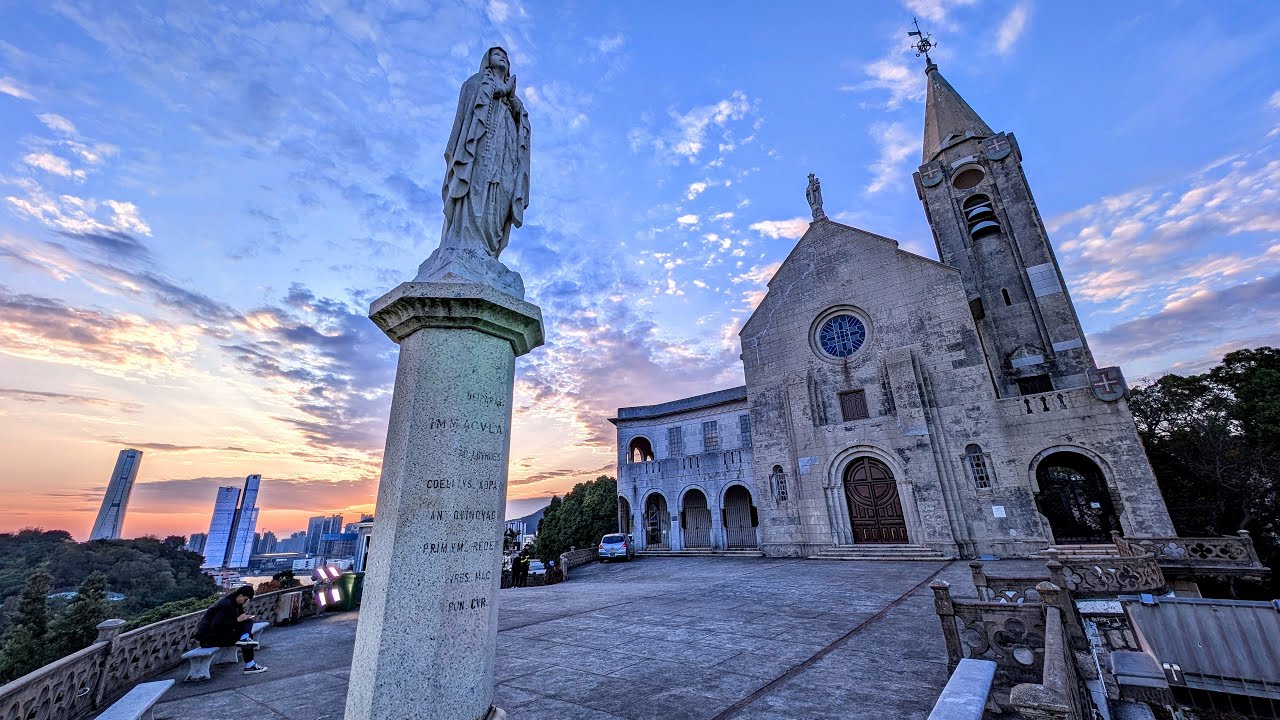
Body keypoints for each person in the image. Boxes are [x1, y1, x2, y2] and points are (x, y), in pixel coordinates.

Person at [194, 585, 267, 674]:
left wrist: (243, 619)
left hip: (220, 634)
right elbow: (216, 626)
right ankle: (250, 664)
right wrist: (237, 620)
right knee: (247, 638)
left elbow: (238, 621)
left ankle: (245, 638)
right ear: (240, 595)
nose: (245, 602)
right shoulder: (225, 605)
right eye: (245, 599)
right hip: (208, 638)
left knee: (248, 622)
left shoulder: (236, 604)